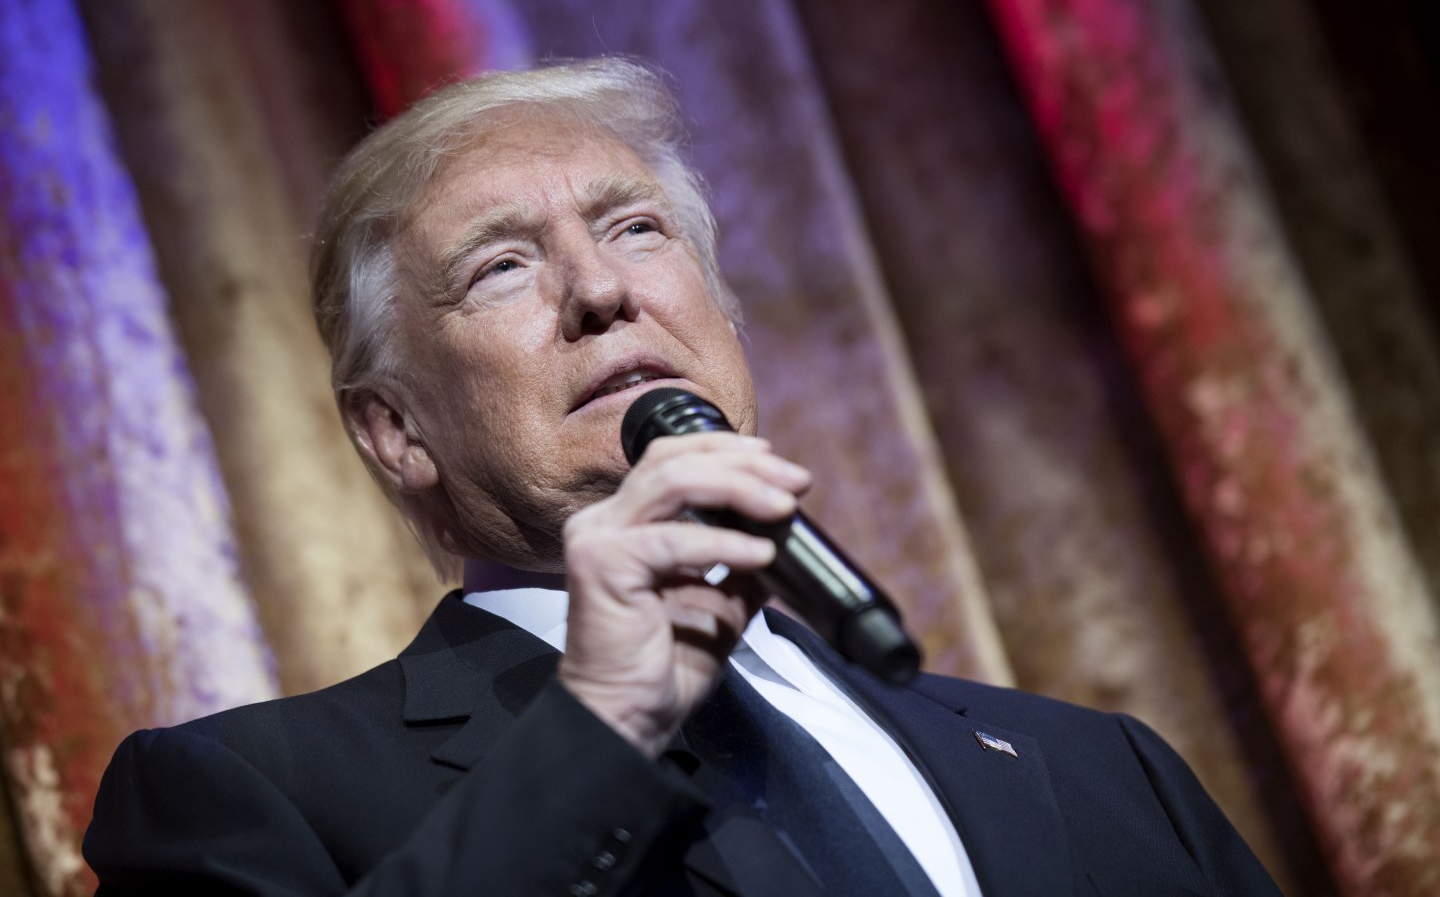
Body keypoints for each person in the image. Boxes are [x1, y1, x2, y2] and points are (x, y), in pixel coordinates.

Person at [84, 58, 1282, 897]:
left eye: (639, 229)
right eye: (501, 267)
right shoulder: (247, 792)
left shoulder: (1103, 768)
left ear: (720, 318)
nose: (602, 290)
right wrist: (603, 717)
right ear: (396, 428)